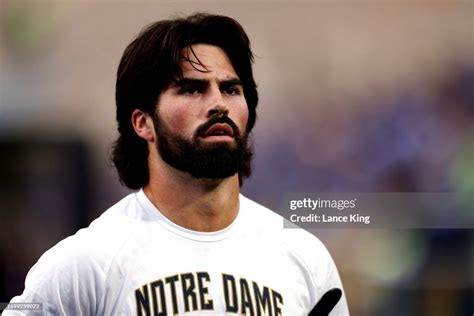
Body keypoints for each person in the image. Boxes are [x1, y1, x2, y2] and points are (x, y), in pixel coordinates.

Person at [4, 13, 349, 315]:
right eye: (191, 89)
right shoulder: (85, 265)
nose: (218, 104)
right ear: (143, 122)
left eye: (230, 89)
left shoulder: (305, 259)